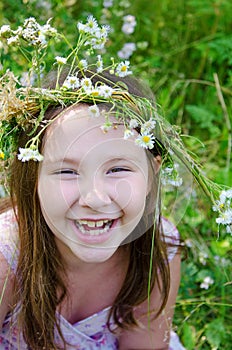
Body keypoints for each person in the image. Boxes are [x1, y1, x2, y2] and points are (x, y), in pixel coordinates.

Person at [0, 17, 230, 350]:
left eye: (118, 169)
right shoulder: (8, 254)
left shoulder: (157, 247)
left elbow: (144, 343)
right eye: (67, 172)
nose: (94, 198)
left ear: (152, 176)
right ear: (31, 180)